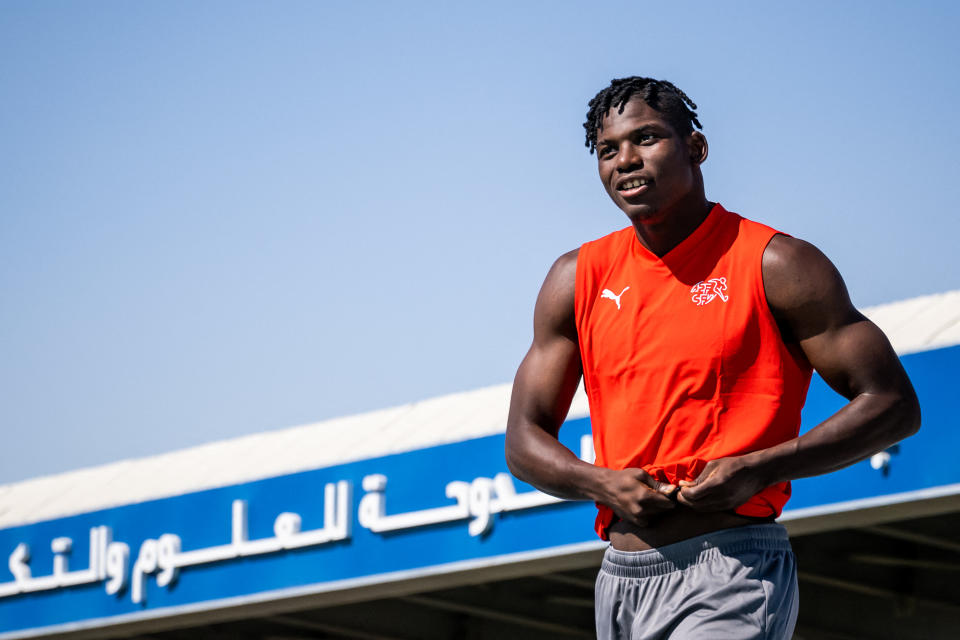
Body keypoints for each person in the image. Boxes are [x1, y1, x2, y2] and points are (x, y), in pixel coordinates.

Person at [504, 77, 921, 639]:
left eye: (646, 138)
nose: (626, 160)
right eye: (608, 150)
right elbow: (523, 440)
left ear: (696, 148)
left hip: (731, 567)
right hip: (620, 580)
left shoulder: (778, 263)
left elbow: (893, 404)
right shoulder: (575, 278)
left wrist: (760, 468)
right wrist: (600, 483)